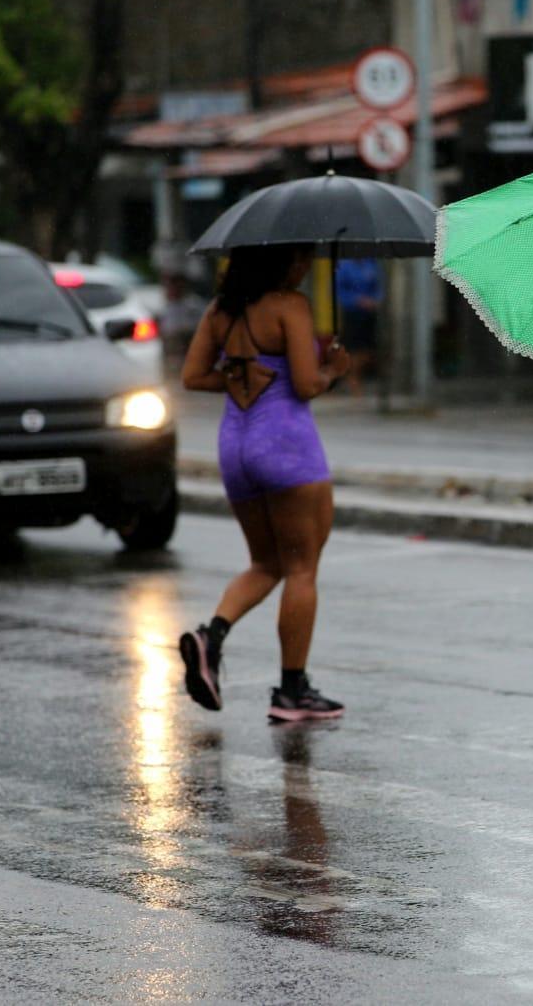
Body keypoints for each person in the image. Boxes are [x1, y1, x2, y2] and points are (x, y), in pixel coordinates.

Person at [178, 245, 351, 722]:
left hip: (235, 445)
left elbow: (192, 376)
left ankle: (209, 638)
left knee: (265, 562)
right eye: (300, 258)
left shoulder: (221, 311)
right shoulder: (290, 305)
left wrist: (238, 374)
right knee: (301, 568)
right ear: (280, 262)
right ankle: (293, 690)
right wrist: (334, 369)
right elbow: (304, 384)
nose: (305, 265)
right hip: (286, 446)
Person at [333, 258, 383, 397]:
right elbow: (338, 291)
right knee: (354, 347)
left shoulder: (371, 264)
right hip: (352, 313)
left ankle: (355, 375)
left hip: (369, 313)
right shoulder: (344, 266)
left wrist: (375, 300)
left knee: (368, 348)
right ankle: (352, 378)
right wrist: (357, 300)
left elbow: (378, 287)